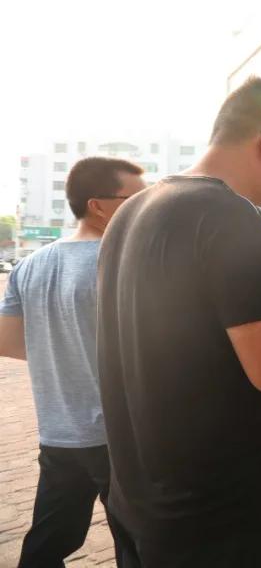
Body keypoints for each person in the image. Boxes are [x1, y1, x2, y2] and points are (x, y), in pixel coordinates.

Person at [96, 77, 261, 567]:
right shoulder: (234, 217)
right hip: (220, 524)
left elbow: (190, 324)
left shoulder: (133, 211)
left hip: (139, 504)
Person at [0, 157, 145, 567]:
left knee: (48, 542)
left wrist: (63, 347)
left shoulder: (30, 265)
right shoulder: (122, 262)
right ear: (98, 205)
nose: (146, 207)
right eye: (136, 198)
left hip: (60, 434)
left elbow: (6, 340)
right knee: (139, 544)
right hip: (120, 437)